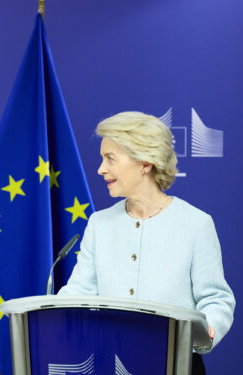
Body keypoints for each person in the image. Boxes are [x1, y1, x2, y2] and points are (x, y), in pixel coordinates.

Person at [58, 111, 234, 374]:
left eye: (110, 159)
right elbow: (79, 293)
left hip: (177, 365)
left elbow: (216, 298)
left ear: (144, 162)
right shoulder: (99, 223)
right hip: (110, 364)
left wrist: (209, 326)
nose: (101, 169)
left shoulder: (196, 224)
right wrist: (48, 315)